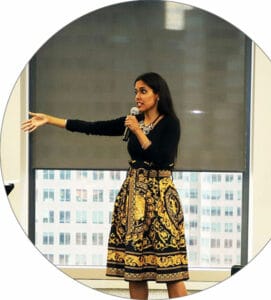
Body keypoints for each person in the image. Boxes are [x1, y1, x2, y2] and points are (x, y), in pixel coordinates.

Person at [22, 72, 189, 299]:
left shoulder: (170, 123)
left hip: (161, 201)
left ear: (157, 95)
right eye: (135, 91)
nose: (137, 97)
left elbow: (162, 157)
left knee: (172, 271)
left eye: (143, 91)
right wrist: (50, 120)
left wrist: (138, 131)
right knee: (134, 270)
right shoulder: (133, 120)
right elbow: (93, 126)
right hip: (133, 200)